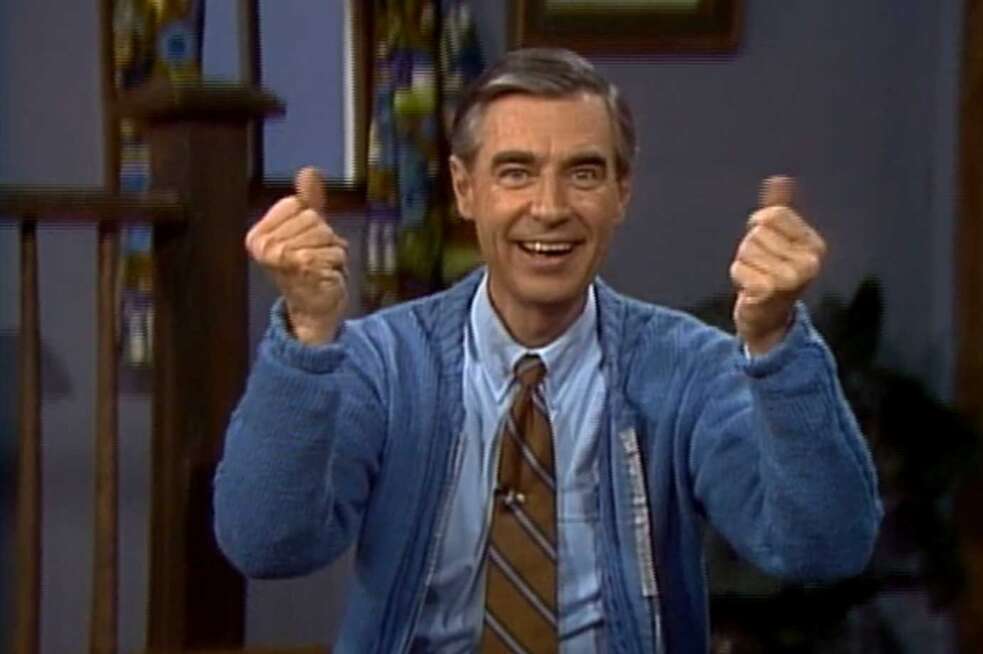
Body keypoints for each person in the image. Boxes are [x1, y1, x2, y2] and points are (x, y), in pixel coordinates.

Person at [214, 48, 881, 653]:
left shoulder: (686, 370)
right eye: (516, 172)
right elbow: (267, 542)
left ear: (622, 193)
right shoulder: (384, 363)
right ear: (465, 189)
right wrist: (306, 336)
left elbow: (824, 546)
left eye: (584, 174)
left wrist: (774, 341)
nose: (550, 207)